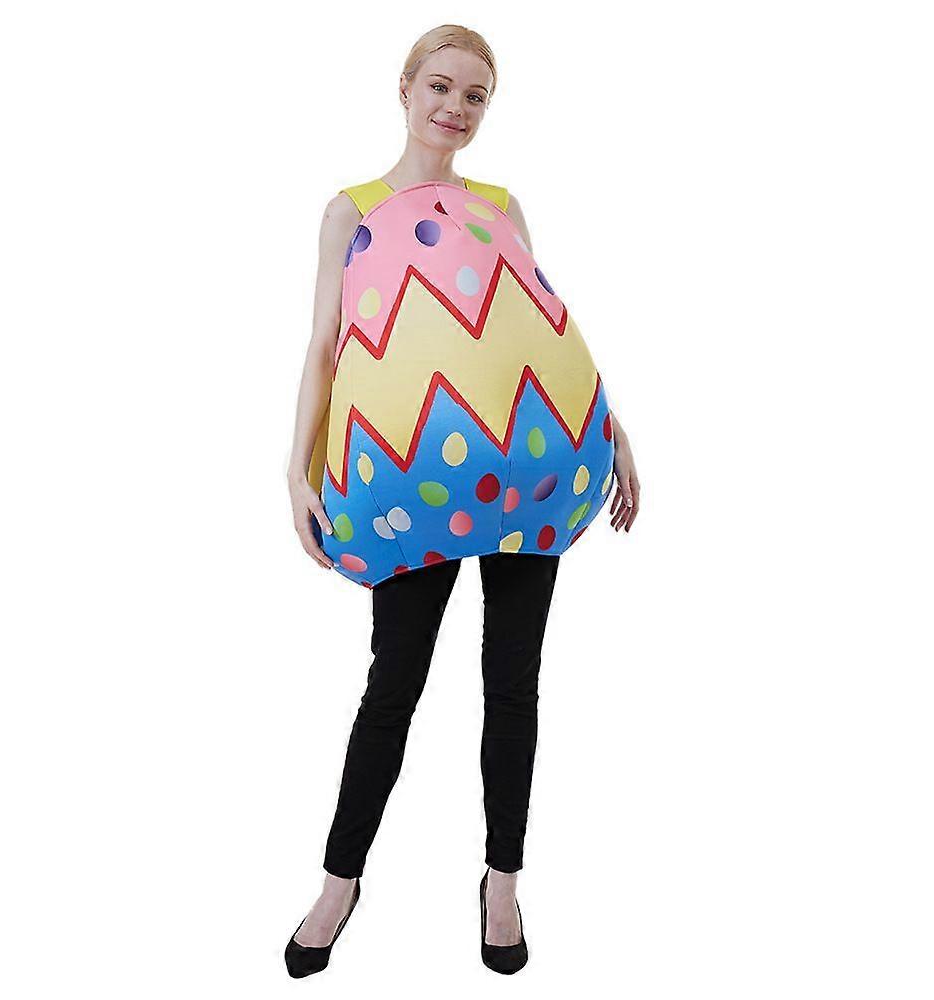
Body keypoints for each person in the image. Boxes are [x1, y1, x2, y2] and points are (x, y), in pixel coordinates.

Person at [285, 24, 641, 976]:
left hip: (528, 477)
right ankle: (339, 882)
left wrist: (612, 430)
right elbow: (325, 345)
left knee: (513, 684)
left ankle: (503, 882)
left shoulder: (501, 206)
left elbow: (539, 330)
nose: (456, 107)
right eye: (440, 86)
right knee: (392, 687)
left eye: (475, 95)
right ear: (405, 88)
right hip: (414, 485)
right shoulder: (352, 211)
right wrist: (297, 467)